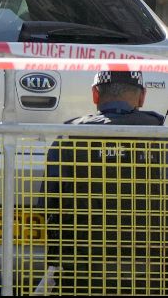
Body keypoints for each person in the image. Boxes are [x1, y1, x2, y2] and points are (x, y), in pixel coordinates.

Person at [40, 70, 168, 295]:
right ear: (142, 97)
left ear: (95, 95)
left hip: (82, 273)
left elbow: (47, 204)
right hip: (152, 272)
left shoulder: (69, 137)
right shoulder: (160, 135)